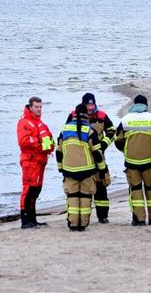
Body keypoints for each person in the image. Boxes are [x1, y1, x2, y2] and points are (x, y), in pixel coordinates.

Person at [114, 94, 151, 226]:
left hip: (131, 161)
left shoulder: (126, 120)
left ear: (134, 104)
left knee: (135, 189)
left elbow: (117, 139)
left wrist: (126, 150)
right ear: (146, 105)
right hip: (150, 161)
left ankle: (138, 219)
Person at [56, 103, 108, 231]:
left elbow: (58, 151)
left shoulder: (64, 129)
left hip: (69, 170)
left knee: (73, 198)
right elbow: (97, 153)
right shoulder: (90, 131)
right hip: (87, 170)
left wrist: (61, 167)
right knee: (85, 197)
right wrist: (102, 169)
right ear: (86, 115)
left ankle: (73, 224)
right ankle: (83, 224)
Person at [16, 96, 54, 229]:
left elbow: (49, 142)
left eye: (40, 107)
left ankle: (33, 219)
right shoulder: (24, 122)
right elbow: (24, 141)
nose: (39, 110)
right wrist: (40, 144)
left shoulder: (40, 123)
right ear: (30, 107)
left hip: (40, 161)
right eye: (36, 107)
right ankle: (25, 221)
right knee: (29, 189)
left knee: (36, 190)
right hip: (30, 160)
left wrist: (46, 145)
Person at [82, 92, 116, 223]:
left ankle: (103, 216)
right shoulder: (75, 115)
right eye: (87, 105)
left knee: (101, 185)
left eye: (92, 104)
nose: (90, 107)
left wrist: (103, 144)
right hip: (83, 157)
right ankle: (85, 216)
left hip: (99, 155)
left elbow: (112, 131)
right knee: (85, 186)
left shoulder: (102, 116)